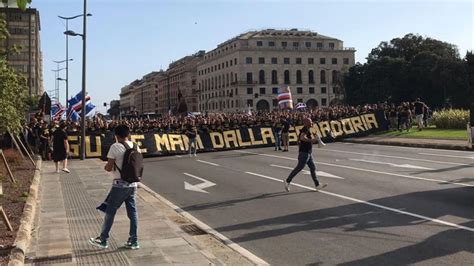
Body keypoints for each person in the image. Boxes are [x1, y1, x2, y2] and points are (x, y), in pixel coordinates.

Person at [89, 124, 140, 250]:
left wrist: (106, 167)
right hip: (133, 184)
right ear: (128, 134)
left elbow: (109, 166)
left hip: (119, 185)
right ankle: (134, 241)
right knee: (132, 213)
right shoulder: (135, 146)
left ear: (116, 135)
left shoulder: (115, 146)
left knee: (110, 212)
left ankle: (103, 239)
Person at [284, 118, 327, 192]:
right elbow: (302, 138)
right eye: (310, 122)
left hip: (308, 153)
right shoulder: (305, 129)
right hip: (304, 153)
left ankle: (317, 185)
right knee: (299, 168)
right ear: (306, 123)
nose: (312, 123)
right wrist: (312, 140)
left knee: (313, 168)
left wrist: (314, 140)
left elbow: (301, 139)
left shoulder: (307, 129)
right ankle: (287, 181)